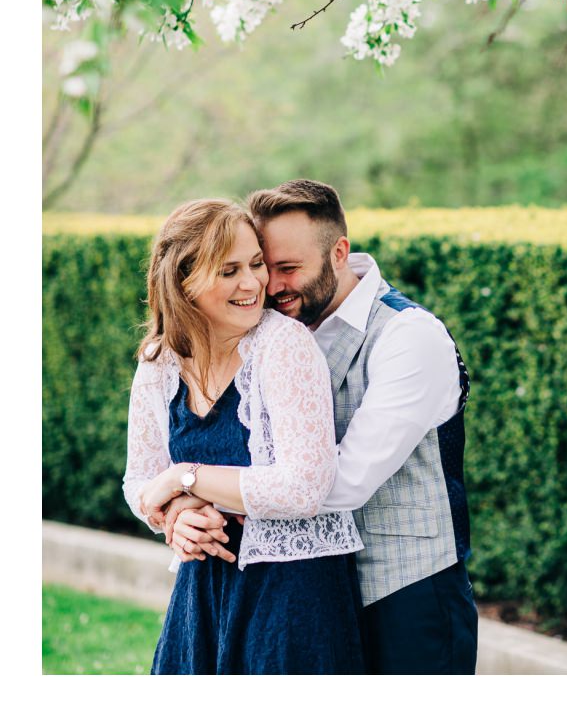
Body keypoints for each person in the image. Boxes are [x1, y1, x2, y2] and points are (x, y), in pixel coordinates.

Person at [161, 179, 476, 674]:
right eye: (267, 265)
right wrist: (180, 510)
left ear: (339, 253)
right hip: (314, 598)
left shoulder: (407, 337)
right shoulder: (272, 331)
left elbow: (335, 483)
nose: (271, 285)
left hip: (406, 597)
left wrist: (192, 491)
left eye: (288, 269)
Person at [123, 199, 365, 674]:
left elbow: (304, 486)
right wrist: (174, 515)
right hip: (202, 594)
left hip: (292, 598)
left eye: (256, 264)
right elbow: (140, 483)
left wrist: (185, 478)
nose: (254, 284)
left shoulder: (284, 345)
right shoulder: (159, 362)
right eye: (229, 270)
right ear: (183, 281)